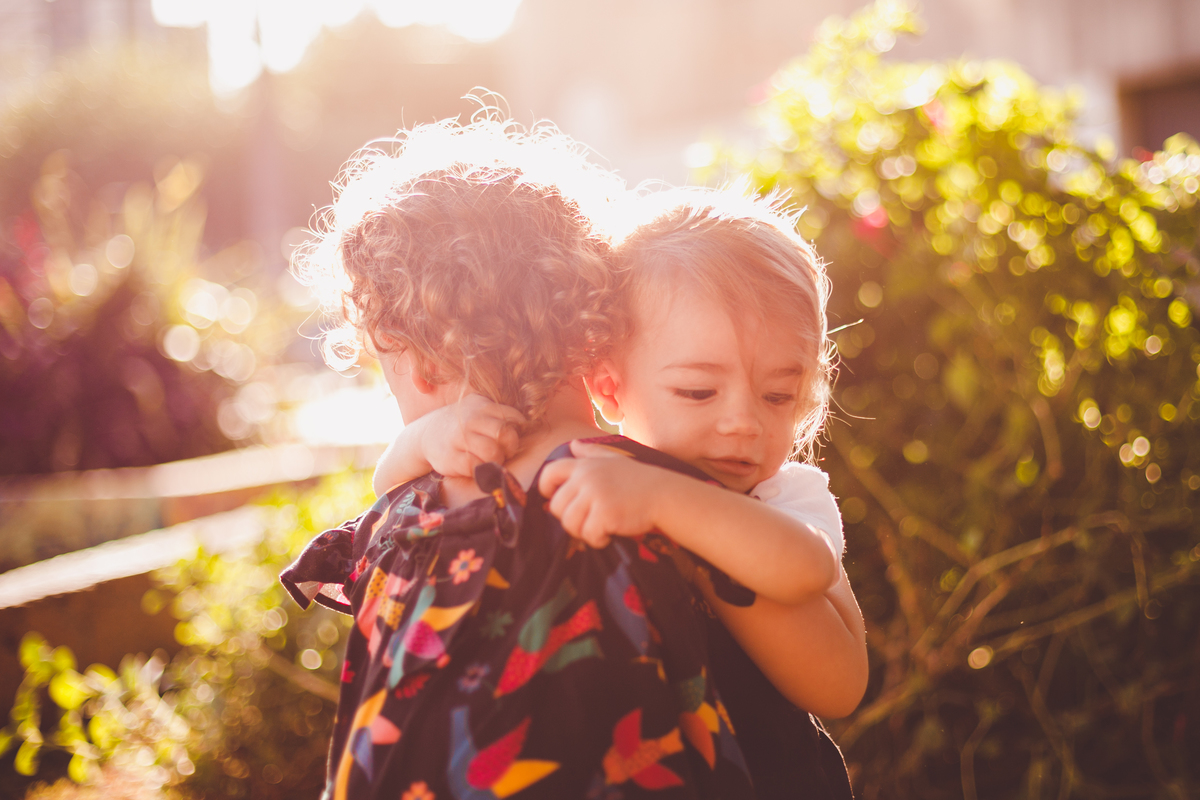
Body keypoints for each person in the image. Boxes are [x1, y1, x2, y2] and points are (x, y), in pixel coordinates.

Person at [280, 120, 757, 800]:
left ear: (407, 356)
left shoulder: (408, 521)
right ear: (589, 316)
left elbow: (385, 490)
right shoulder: (650, 488)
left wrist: (419, 444)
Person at [374, 188, 867, 799]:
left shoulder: (780, 496)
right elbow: (390, 494)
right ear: (609, 385)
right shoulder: (595, 471)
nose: (745, 422)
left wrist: (666, 502)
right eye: (698, 392)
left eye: (777, 396)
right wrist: (429, 437)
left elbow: (837, 676)